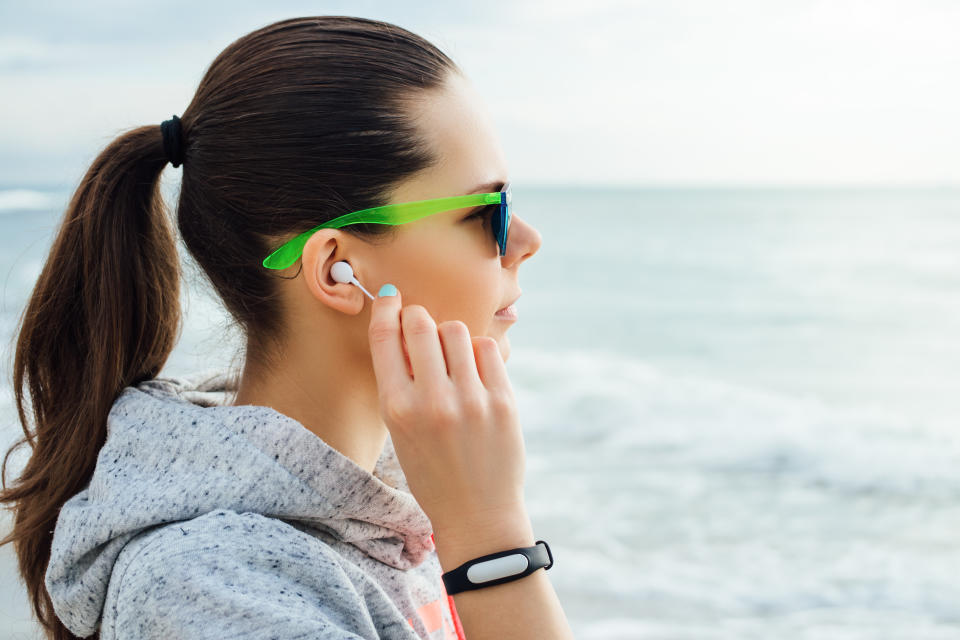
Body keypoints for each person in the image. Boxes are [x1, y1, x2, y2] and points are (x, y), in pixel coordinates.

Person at [0, 15, 574, 640]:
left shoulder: (402, 502)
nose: (527, 239)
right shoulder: (210, 591)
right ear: (336, 269)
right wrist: (491, 538)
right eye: (487, 211)